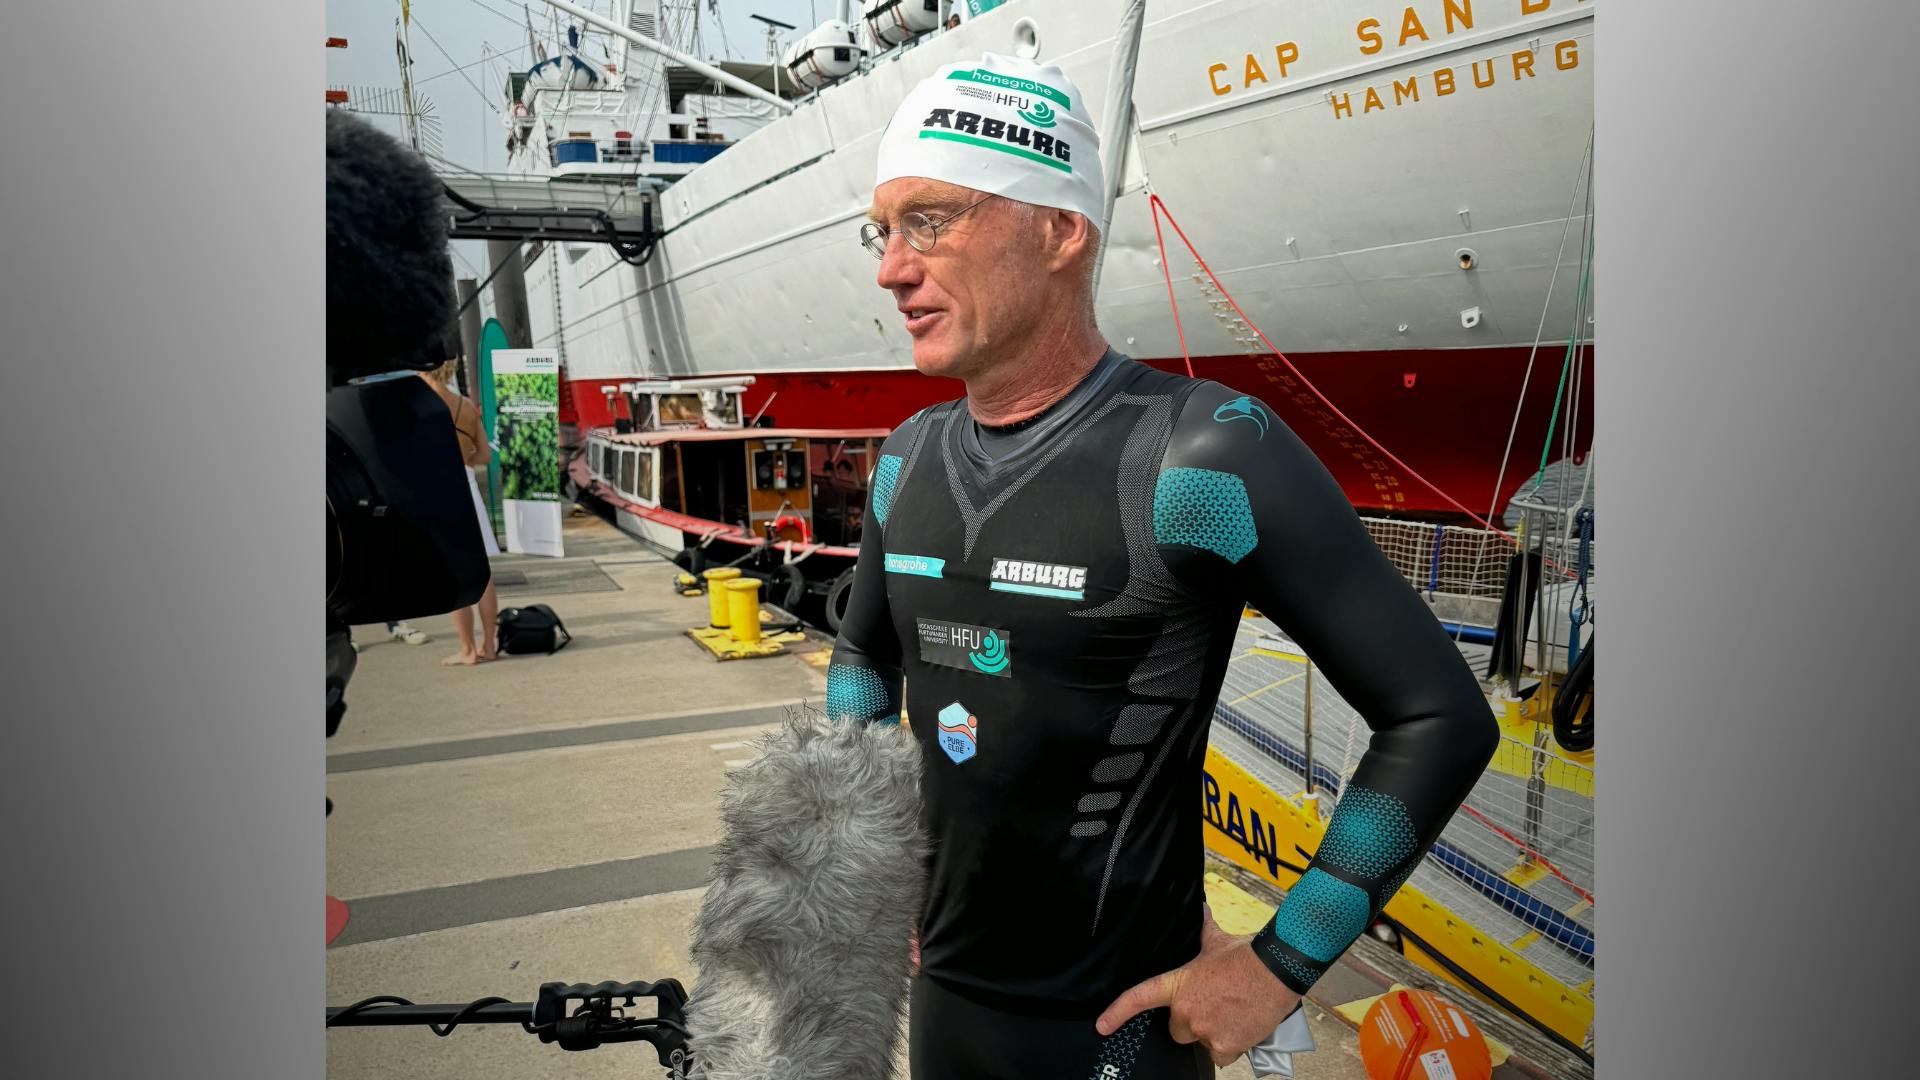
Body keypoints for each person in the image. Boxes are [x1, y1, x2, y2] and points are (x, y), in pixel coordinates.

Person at [829, 54, 1499, 1079]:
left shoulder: (1202, 454)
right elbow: (864, 667)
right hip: (946, 1014)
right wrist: (878, 867)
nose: (890, 268)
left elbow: (1440, 719)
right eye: (883, 232)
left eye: (930, 221)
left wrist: (1282, 966)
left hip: (1119, 1039)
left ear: (1059, 230)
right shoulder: (907, 459)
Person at [419, 356, 502, 665]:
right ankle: (489, 646)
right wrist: (463, 455)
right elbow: (484, 454)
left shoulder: (420, 404)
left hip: (439, 489)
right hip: (466, 484)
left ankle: (467, 650)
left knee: (454, 574)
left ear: (424, 368)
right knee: (483, 573)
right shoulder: (465, 405)